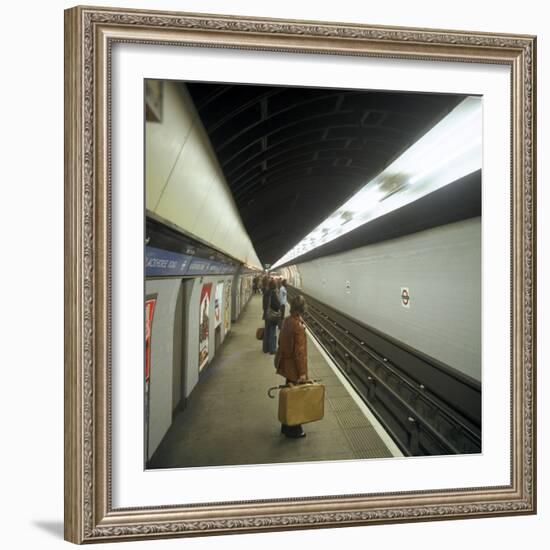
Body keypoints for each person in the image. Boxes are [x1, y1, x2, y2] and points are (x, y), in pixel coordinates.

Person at [276, 295, 308, 438]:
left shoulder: (287, 321)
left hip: (286, 363)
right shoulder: (298, 327)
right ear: (302, 309)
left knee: (290, 395)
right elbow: (300, 353)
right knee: (295, 398)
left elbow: (280, 341)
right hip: (294, 367)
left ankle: (286, 427)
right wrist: (302, 373)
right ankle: (294, 430)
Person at [262, 279, 280, 354]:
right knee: (272, 332)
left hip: (266, 314)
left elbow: (264, 305)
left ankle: (265, 348)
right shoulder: (273, 293)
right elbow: (276, 305)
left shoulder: (266, 292)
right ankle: (272, 349)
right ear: (274, 286)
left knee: (266, 331)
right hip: (272, 316)